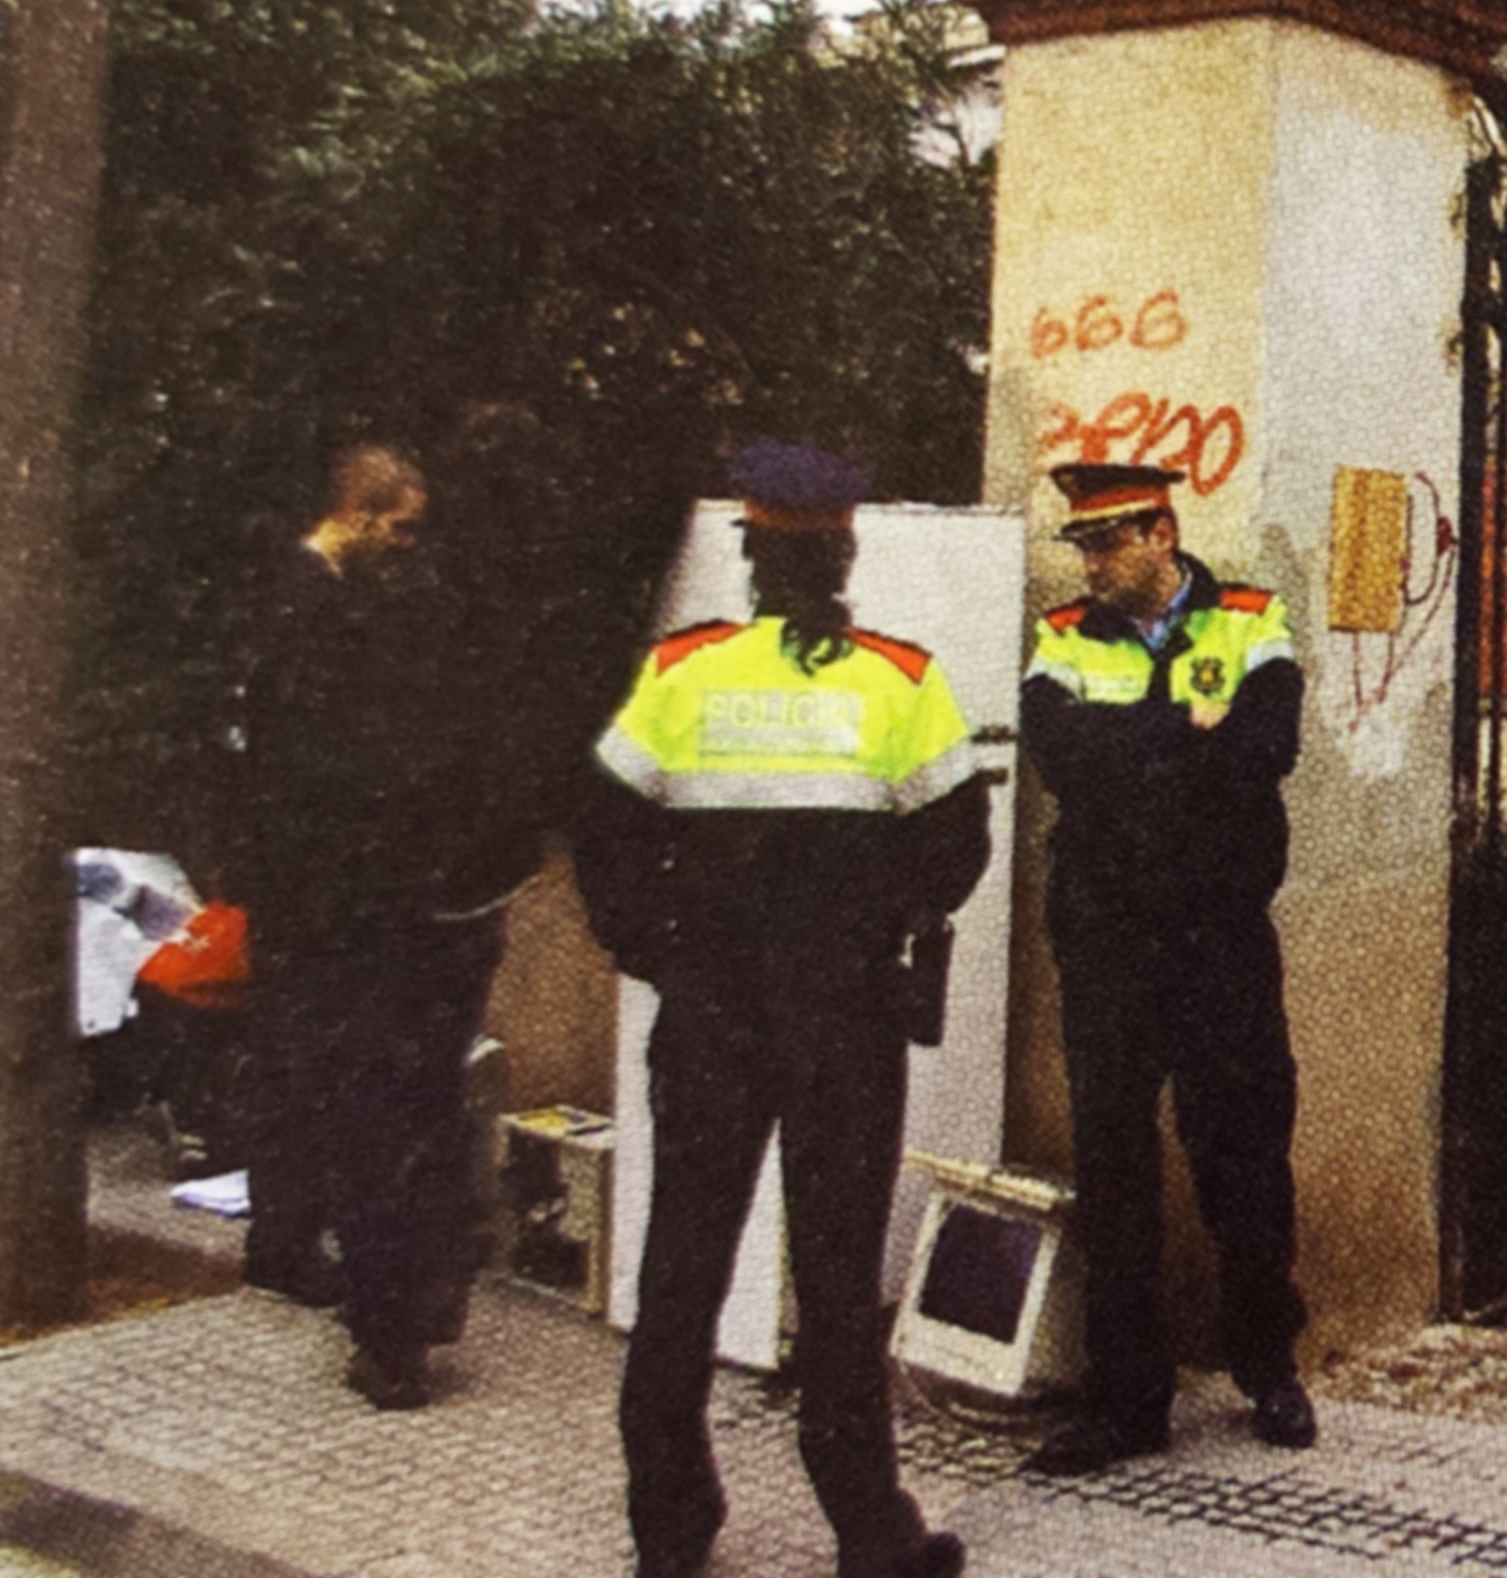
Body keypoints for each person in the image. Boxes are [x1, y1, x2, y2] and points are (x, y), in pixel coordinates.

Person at [577, 443, 987, 1578]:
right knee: (840, 1279)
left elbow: (605, 833)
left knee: (682, 1267)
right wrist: (874, 919)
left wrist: (660, 950)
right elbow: (958, 847)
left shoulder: (684, 671)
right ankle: (867, 1530)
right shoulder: (902, 678)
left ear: (750, 556)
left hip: (709, 1014)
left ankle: (669, 1529)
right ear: (845, 551)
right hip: (844, 1020)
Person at [1020, 460, 1316, 1472]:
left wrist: (1144, 749)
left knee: (1243, 1149)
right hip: (1107, 935)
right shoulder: (1065, 635)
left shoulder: (1247, 616)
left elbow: (1268, 745)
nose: (1092, 562)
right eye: (1083, 545)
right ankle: (1126, 1398)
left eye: (1108, 541)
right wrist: (1180, 729)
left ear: (1161, 530)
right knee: (1113, 1164)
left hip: (1219, 933)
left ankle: (1268, 1362)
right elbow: (1060, 756)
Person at [231, 440, 506, 1412]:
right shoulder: (319, 608)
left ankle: (331, 1269)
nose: (403, 542)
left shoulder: (352, 618)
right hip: (358, 910)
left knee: (343, 1088)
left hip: (347, 907)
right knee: (360, 1090)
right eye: (395, 523)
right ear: (356, 507)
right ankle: (310, 1255)